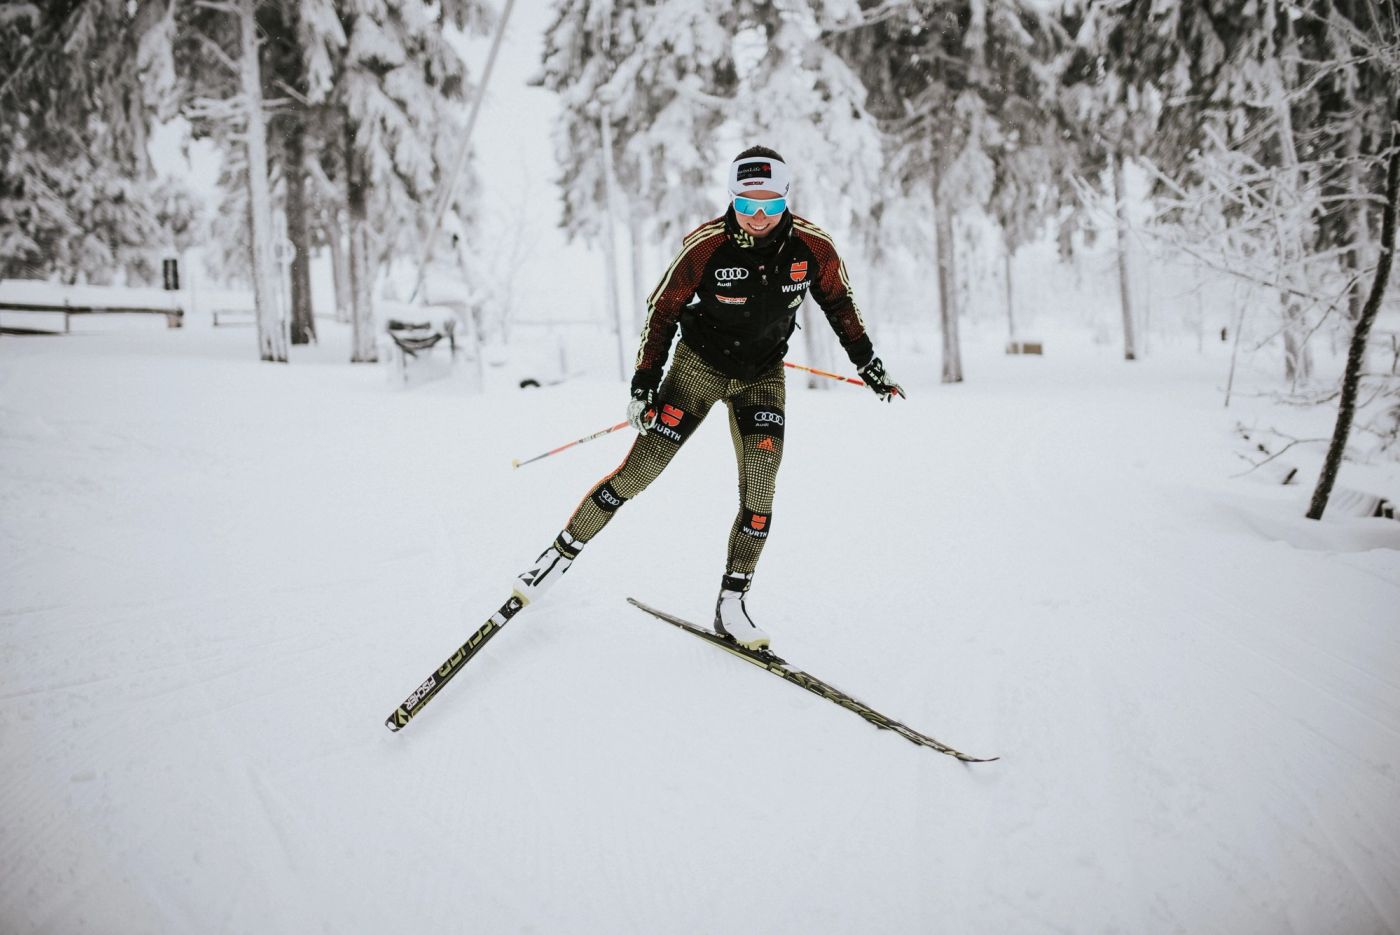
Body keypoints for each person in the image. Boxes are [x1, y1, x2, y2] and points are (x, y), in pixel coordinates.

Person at [514, 146, 903, 650]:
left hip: (762, 377)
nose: (758, 216)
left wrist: (867, 362)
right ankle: (557, 556)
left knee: (760, 494)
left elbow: (839, 302)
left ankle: (732, 602)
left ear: (786, 197)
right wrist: (643, 383)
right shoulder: (706, 247)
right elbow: (662, 311)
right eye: (746, 203)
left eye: (769, 203)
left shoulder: (813, 249)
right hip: (697, 369)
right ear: (732, 199)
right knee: (639, 473)